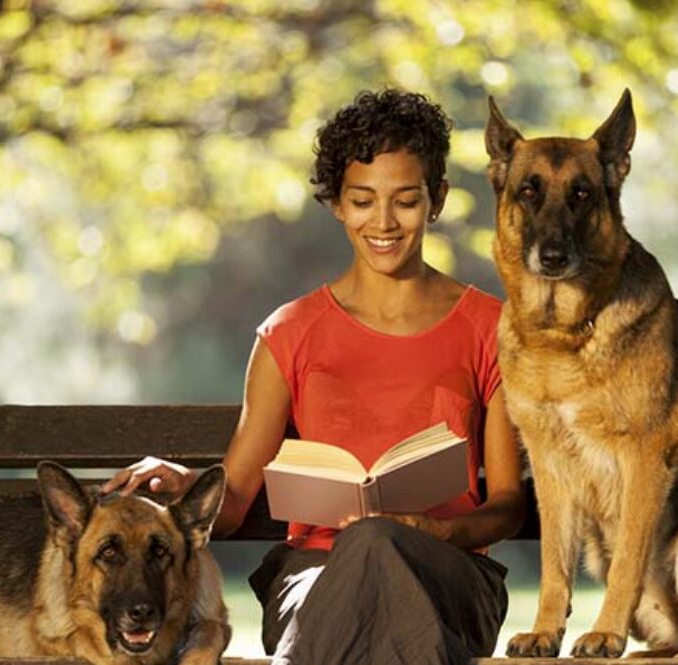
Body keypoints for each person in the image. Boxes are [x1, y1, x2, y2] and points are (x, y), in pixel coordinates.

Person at [104, 89, 525, 665]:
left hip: (448, 576)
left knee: (377, 544)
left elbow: (506, 503)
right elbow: (234, 501)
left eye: (404, 200)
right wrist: (183, 485)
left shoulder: (491, 328)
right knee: (365, 564)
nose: (383, 222)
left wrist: (430, 530)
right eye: (362, 200)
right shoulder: (291, 332)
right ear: (336, 204)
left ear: (438, 200)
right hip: (315, 577)